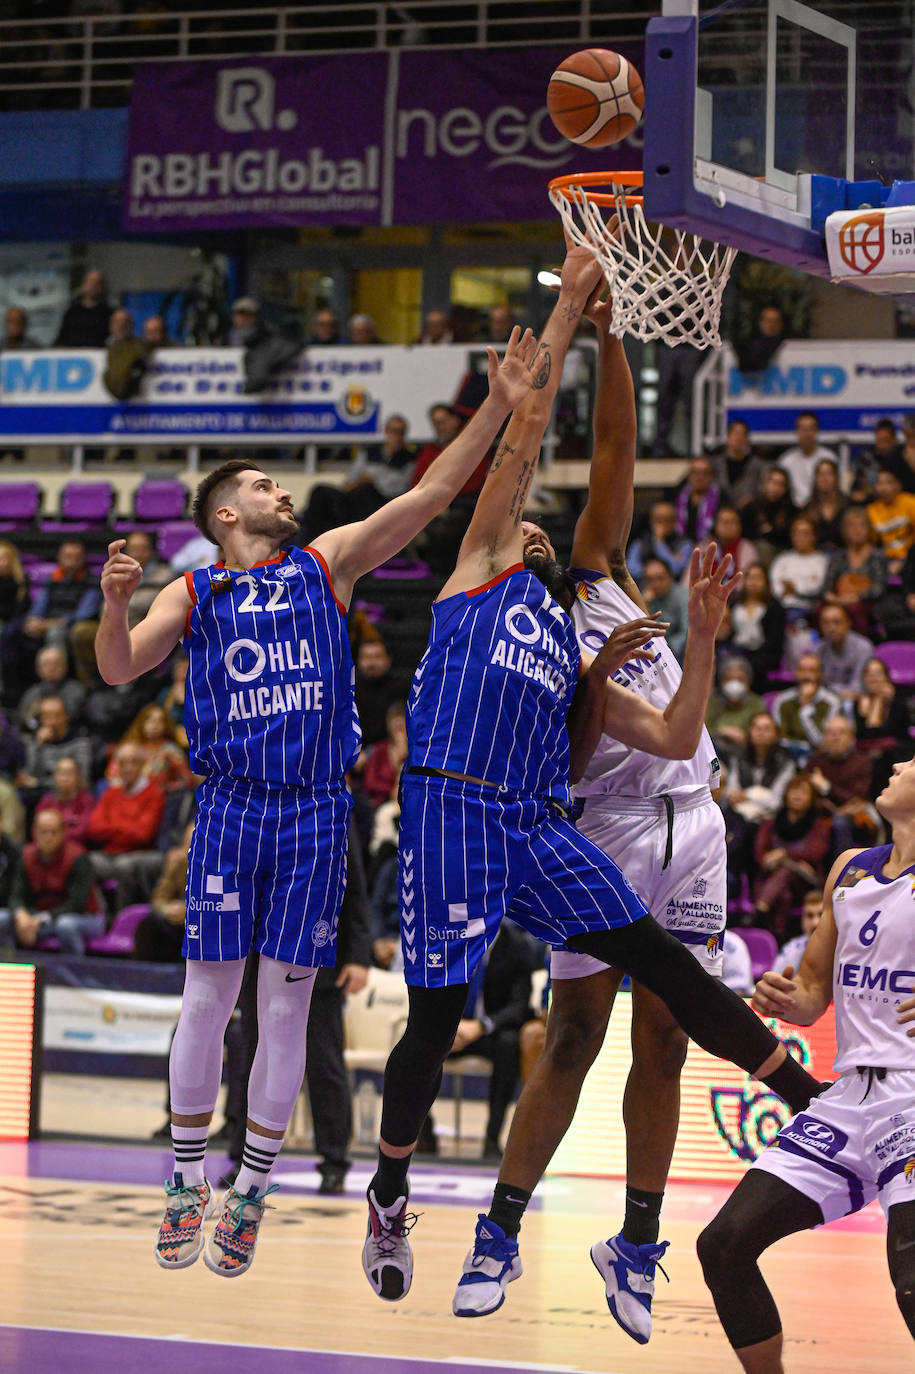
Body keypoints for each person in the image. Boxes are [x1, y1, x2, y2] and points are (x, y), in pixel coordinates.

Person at [359, 247, 820, 1327]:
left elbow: (603, 752)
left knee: (660, 985)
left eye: (536, 531)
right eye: (523, 523)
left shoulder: (583, 620)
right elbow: (521, 458)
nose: (530, 528)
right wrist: (563, 323)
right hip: (461, 809)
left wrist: (631, 666)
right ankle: (400, 1196)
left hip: (556, 816)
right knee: (452, 1023)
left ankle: (807, 1099)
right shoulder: (482, 573)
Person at [95, 324, 540, 1278]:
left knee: (286, 1012)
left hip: (310, 810)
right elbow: (119, 664)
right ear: (223, 513)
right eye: (260, 486)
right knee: (210, 997)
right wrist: (111, 603)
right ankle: (186, 1183)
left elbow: (428, 497)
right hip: (227, 806)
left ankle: (251, 1189)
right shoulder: (195, 589)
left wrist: (498, 403)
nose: (280, 494)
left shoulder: (325, 563)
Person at [697, 756, 915, 1371]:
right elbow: (816, 988)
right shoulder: (851, 869)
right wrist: (790, 1000)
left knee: (912, 1280)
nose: (897, 763)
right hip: (847, 1098)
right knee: (725, 1245)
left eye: (912, 762)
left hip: (913, 1095)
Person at [1, 808, 99, 954]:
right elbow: (16, 895)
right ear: (34, 833)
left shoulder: (78, 857)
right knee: (2, 918)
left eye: (53, 832)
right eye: (43, 832)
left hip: (83, 917)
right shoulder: (26, 856)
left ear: (63, 833)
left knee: (66, 925)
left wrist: (38, 920)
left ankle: (72, 974)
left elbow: (77, 903)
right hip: (37, 916)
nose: (48, 837)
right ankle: (8, 967)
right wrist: (20, 914)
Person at [751, 771, 832, 938]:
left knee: (786, 872)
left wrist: (783, 854)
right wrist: (773, 860)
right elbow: (760, 854)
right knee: (783, 892)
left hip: (805, 882)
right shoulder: (770, 823)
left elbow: (815, 852)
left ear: (812, 797)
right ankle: (778, 935)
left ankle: (760, 910)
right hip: (773, 879)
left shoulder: (818, 824)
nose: (798, 795)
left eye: (803, 792)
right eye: (794, 790)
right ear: (786, 793)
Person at [771, 653, 840, 761]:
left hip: (819, 757)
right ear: (796, 673)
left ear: (820, 675)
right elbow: (780, 738)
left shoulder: (831, 702)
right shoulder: (782, 701)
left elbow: (823, 743)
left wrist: (805, 710)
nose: (806, 676)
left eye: (812, 671)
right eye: (802, 670)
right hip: (788, 757)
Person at [729, 563, 786, 692]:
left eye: (758, 578)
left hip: (764, 655)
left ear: (766, 582)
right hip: (736, 651)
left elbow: (775, 640)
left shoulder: (775, 608)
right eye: (750, 577)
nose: (753, 582)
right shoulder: (733, 604)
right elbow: (728, 632)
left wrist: (753, 656)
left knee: (753, 667)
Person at [777, 411, 846, 507]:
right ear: (796, 432)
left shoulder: (829, 457)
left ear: (816, 431)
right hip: (792, 511)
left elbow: (839, 488)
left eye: (810, 429)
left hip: (822, 509)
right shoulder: (786, 461)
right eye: (802, 429)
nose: (806, 434)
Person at [768, 515, 828, 619]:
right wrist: (800, 585)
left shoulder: (823, 561)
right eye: (796, 533)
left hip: (811, 609)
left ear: (814, 536)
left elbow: (818, 588)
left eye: (804, 533)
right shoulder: (782, 559)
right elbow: (776, 588)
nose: (799, 537)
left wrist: (795, 589)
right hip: (783, 607)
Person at [815, 603, 874, 700]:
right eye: (826, 623)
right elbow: (816, 684)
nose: (831, 628)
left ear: (848, 623)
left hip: (855, 701)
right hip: (826, 700)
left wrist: (831, 693)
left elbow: (859, 687)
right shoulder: (818, 649)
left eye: (837, 622)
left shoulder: (863, 648)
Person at [625, 500, 692, 583]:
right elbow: (630, 568)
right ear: (651, 521)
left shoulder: (684, 544)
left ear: (674, 521)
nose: (661, 524)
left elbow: (676, 569)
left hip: (673, 588)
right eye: (657, 519)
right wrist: (651, 572)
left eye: (666, 519)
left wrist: (659, 542)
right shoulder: (640, 543)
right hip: (645, 585)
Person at [35, 754, 94, 846]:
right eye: (61, 773)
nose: (64, 778)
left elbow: (84, 831)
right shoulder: (47, 801)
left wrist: (56, 836)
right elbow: (37, 828)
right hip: (48, 848)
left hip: (76, 850)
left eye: (69, 773)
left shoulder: (85, 800)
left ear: (78, 777)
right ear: (55, 776)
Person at [709, 418, 767, 508]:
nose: (738, 438)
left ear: (747, 440)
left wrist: (753, 499)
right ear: (728, 438)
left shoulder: (759, 466)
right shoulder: (714, 464)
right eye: (735, 434)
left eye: (743, 435)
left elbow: (764, 492)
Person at [868, 467, 915, 575]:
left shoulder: (910, 502)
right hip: (886, 560)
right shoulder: (872, 510)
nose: (884, 488)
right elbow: (871, 543)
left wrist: (905, 561)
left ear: (898, 485)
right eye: (880, 483)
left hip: (910, 558)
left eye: (888, 482)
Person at [640, 556, 689, 660]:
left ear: (670, 577)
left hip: (680, 652)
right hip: (655, 651)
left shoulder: (683, 596)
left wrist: (665, 649)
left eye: (660, 578)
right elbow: (642, 632)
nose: (656, 584)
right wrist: (644, 605)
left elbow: (687, 632)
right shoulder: (646, 598)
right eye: (650, 580)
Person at [54, 268, 112, 348]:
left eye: (97, 283)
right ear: (83, 284)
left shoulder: (109, 313)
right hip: (74, 356)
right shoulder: (72, 312)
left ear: (102, 287)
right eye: (90, 282)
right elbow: (61, 339)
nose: (93, 286)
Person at [673, 455, 721, 542]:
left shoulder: (721, 499)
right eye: (695, 472)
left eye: (705, 473)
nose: (700, 477)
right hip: (681, 547)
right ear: (688, 475)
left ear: (712, 476)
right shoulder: (675, 496)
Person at [802, 457, 847, 549]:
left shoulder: (848, 505)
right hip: (815, 557)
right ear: (815, 479)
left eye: (829, 474)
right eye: (820, 474)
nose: (824, 478)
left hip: (844, 557)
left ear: (836, 477)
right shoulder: (807, 508)